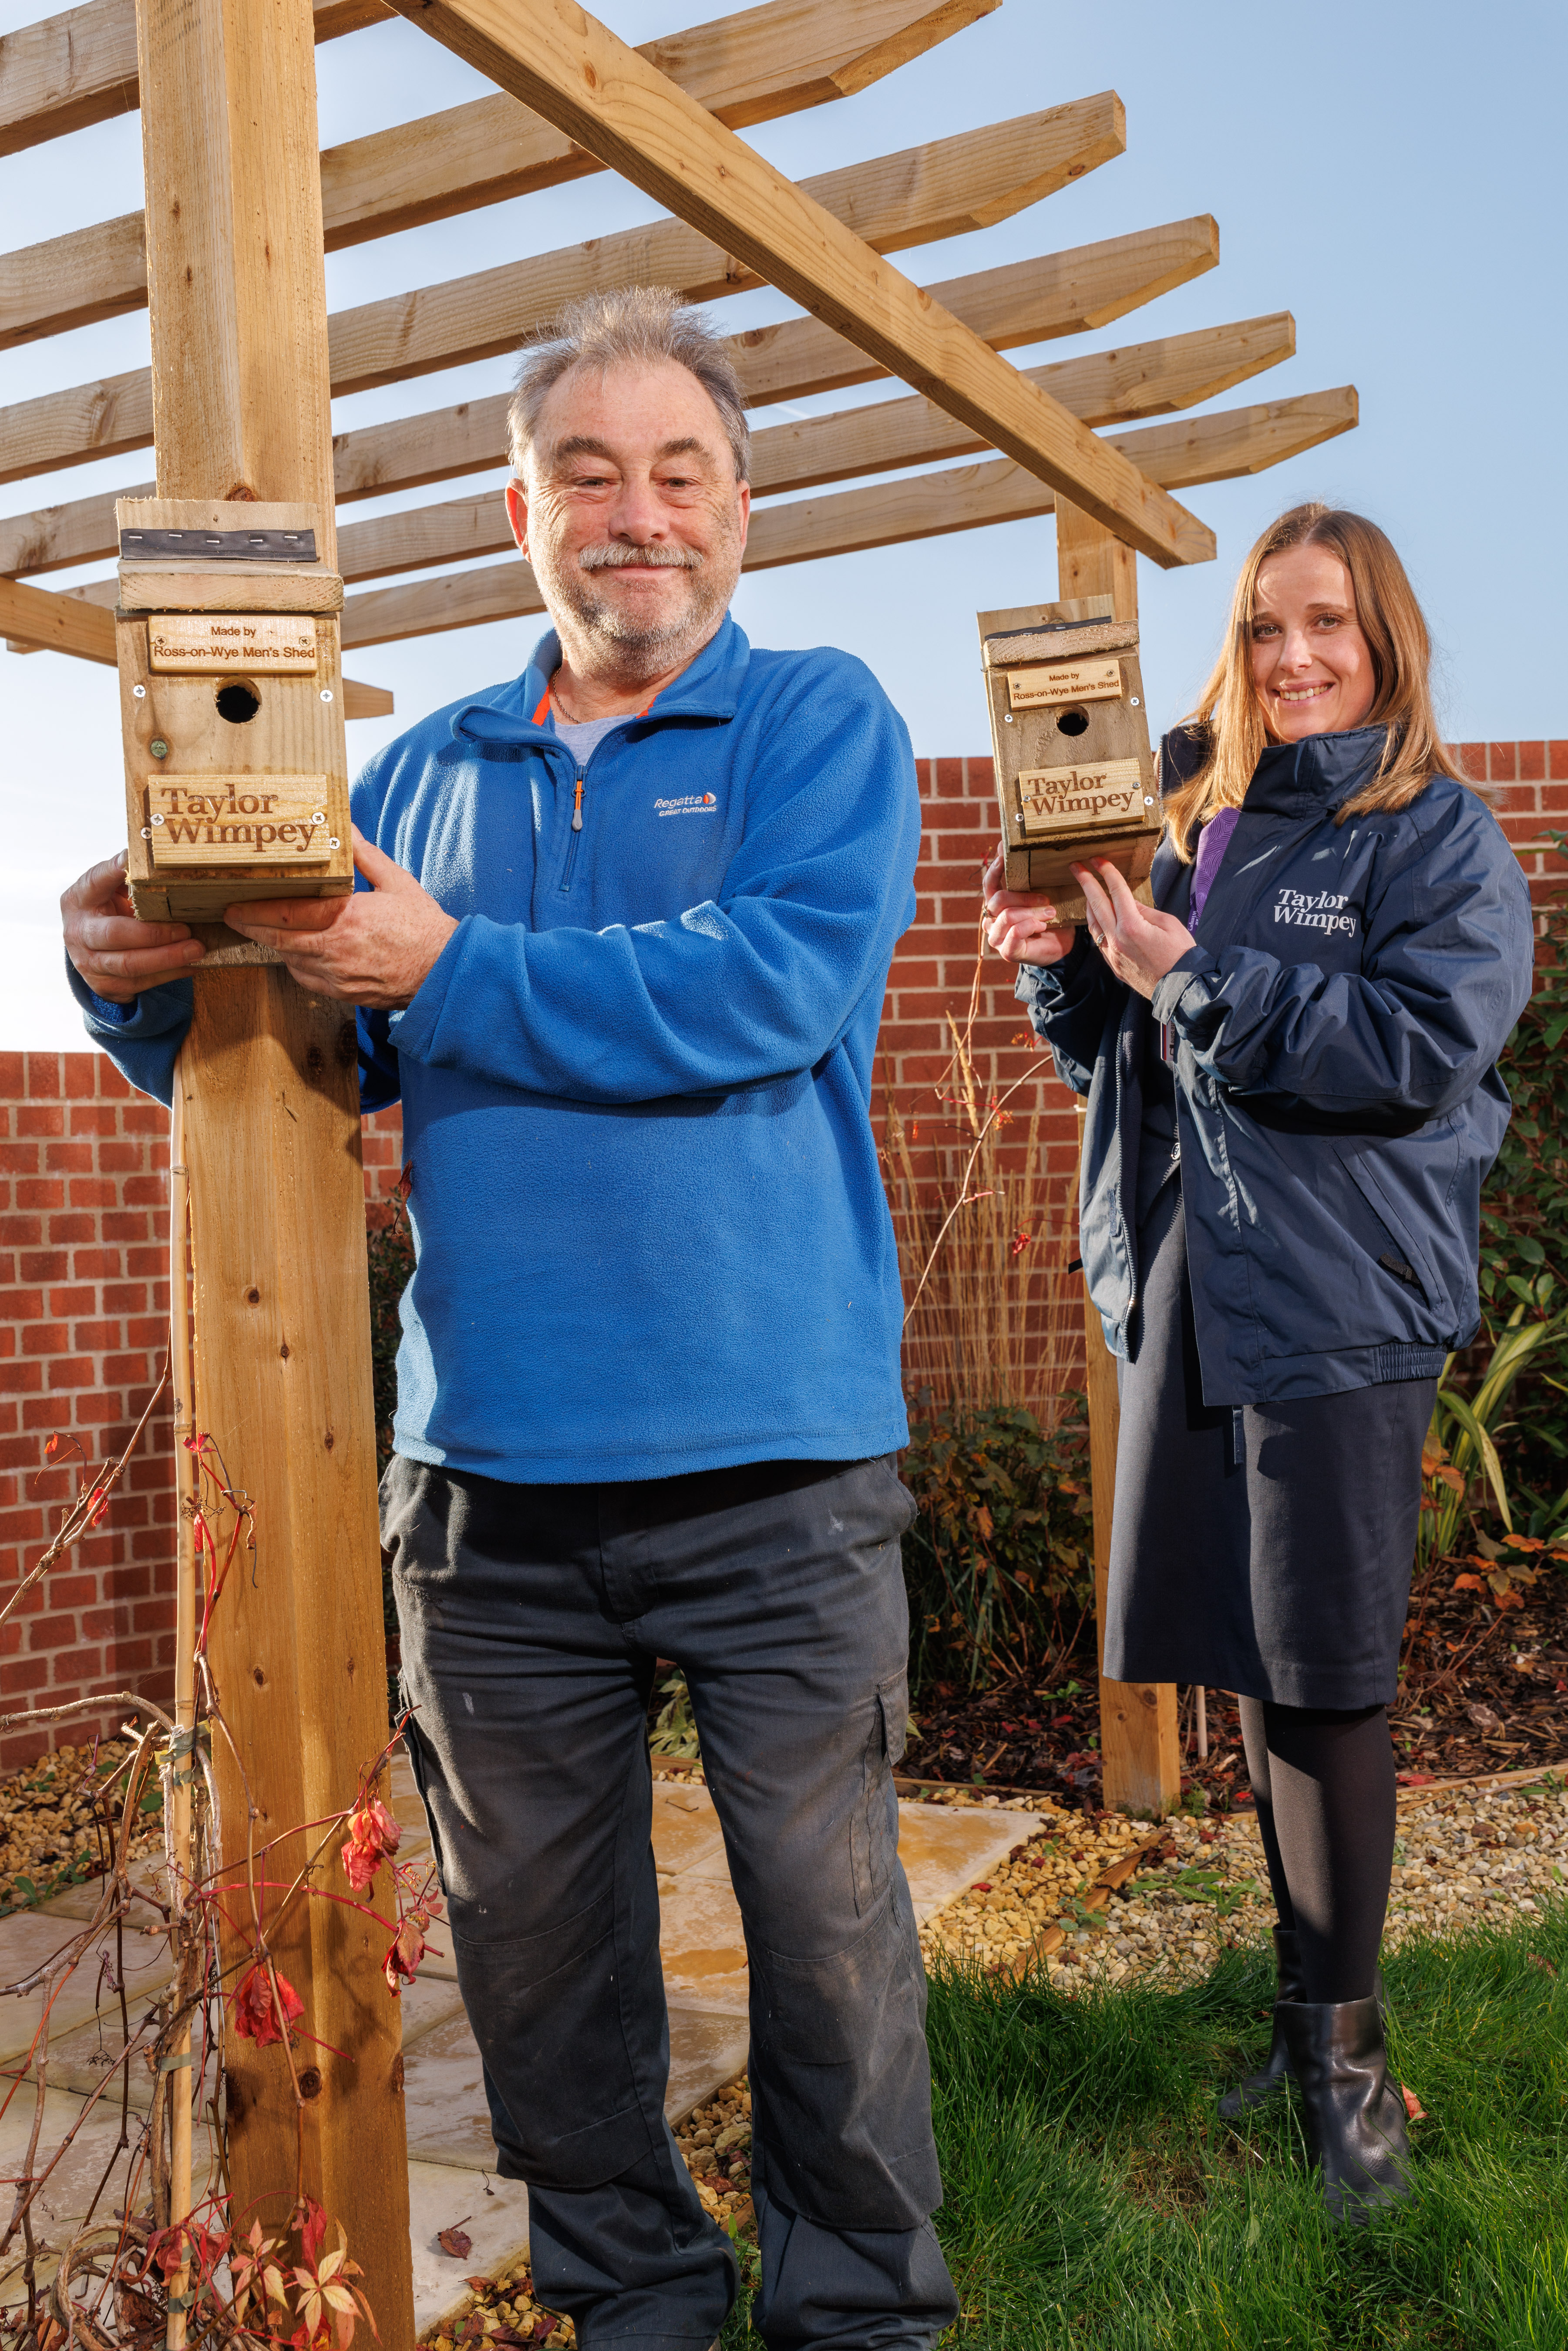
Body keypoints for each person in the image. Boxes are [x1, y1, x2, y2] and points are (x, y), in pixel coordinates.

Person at [61, 289, 960, 2348]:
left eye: (678, 474)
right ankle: (636, 2310)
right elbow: (310, 1059)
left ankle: (860, 2324)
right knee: (545, 1974)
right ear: (519, 506)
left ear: (742, 508)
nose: (635, 515)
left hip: (781, 1475)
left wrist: (444, 968)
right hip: (491, 1502)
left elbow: (770, 992)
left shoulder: (817, 722)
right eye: (588, 472)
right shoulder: (424, 776)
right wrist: (131, 976)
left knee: (827, 1952)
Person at [984, 503, 1534, 2222]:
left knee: (1327, 1678)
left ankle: (1351, 2073)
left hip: (1339, 1304)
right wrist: (1072, 979)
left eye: (1329, 625)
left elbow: (1412, 1050)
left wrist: (1193, 976)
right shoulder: (1197, 833)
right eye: (1267, 627)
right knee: (1245, 1655)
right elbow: (1137, 1064)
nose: (1296, 656)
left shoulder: (1435, 837)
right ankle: (1298, 2032)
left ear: (1384, 642)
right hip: (1192, 1295)